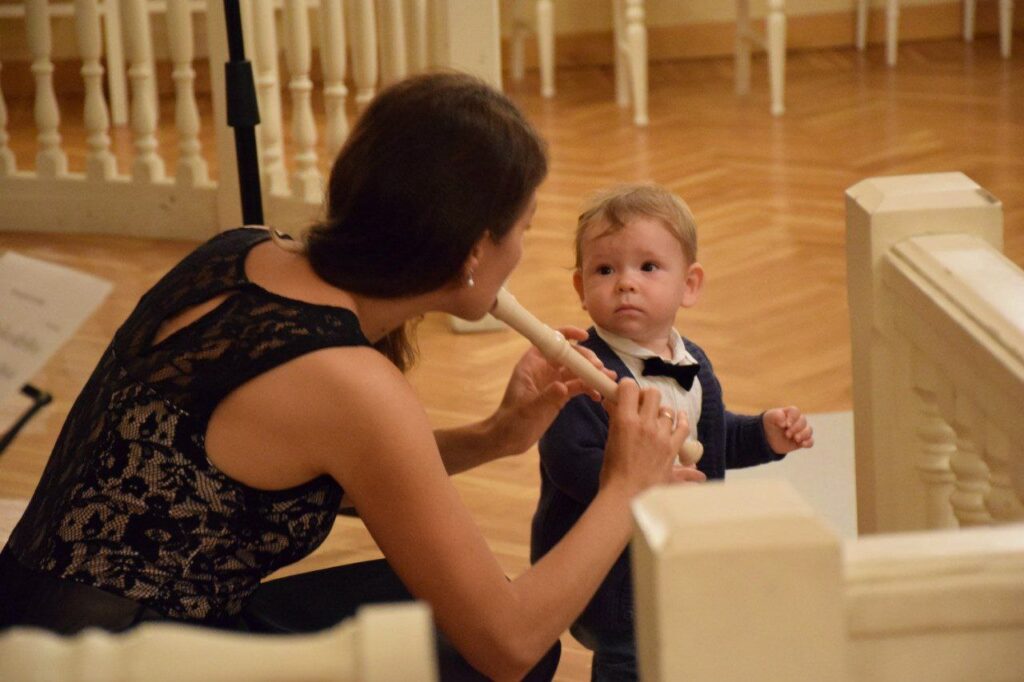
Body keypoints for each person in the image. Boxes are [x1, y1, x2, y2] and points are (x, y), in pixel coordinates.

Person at [0, 73, 707, 681]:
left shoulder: (242, 251)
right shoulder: (352, 382)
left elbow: (301, 474)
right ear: (471, 251)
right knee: (493, 644)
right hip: (109, 662)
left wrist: (496, 435)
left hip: (37, 620)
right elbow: (509, 645)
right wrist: (625, 487)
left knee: (429, 606)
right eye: (522, 228)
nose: (522, 249)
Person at [531, 184, 815, 681]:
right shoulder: (582, 370)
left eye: (648, 267)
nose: (626, 283)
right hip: (608, 575)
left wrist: (763, 435)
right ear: (580, 287)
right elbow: (568, 460)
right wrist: (640, 483)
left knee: (687, 641)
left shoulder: (692, 363)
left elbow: (704, 442)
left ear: (690, 285)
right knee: (632, 655)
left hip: (682, 548)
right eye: (605, 270)